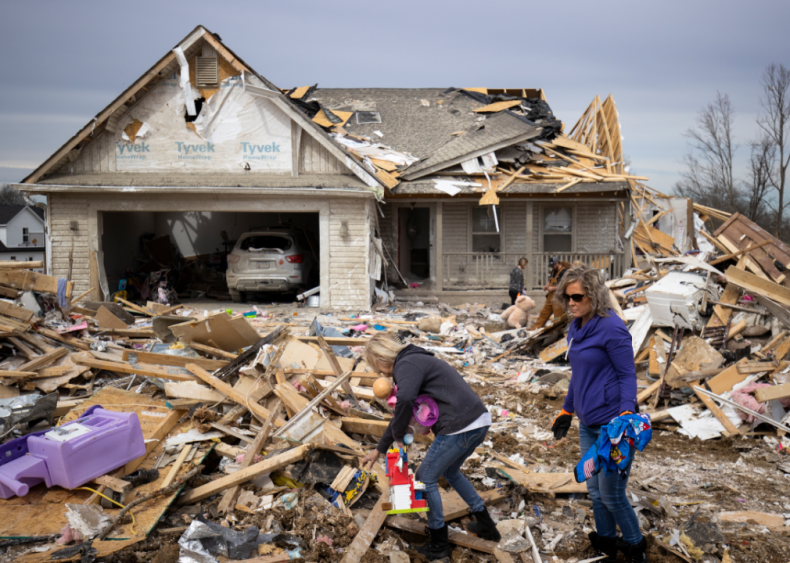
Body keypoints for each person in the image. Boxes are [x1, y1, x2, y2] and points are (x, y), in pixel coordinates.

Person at [361, 333, 499, 560]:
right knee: (450, 472)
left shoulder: (405, 364)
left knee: (425, 477)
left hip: (460, 425)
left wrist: (398, 436)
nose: (383, 375)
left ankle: (439, 544)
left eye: (379, 369)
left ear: (381, 357)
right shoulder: (415, 360)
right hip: (477, 421)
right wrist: (379, 449)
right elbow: (400, 412)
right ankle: (486, 525)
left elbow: (404, 400)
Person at [549, 266, 647, 563]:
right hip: (588, 426)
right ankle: (606, 543)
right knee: (594, 490)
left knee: (612, 494)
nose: (571, 303)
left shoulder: (612, 327)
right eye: (567, 298)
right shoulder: (576, 328)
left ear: (593, 294)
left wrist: (626, 414)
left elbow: (627, 375)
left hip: (614, 427)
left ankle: (635, 549)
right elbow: (578, 376)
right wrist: (568, 409)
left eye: (577, 297)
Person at [529, 259, 570, 330]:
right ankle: (534, 329)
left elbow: (563, 286)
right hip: (550, 296)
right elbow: (550, 280)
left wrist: (553, 288)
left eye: (553, 265)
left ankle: (558, 332)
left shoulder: (564, 272)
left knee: (558, 317)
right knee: (543, 313)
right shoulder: (553, 271)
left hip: (558, 297)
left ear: (557, 263)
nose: (552, 267)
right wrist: (546, 286)